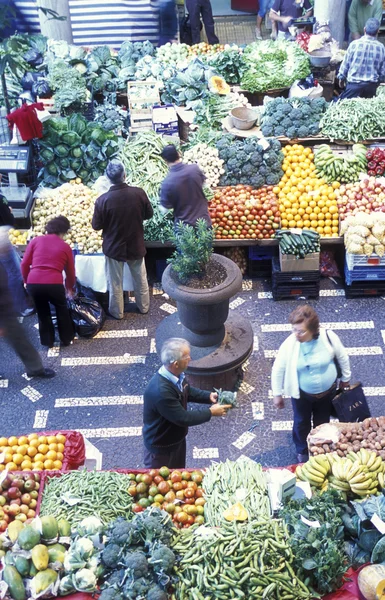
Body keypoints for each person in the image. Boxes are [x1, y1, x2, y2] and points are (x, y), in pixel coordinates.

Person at [271, 305, 351, 463]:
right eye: (294, 330)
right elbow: (278, 369)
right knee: (301, 423)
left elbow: (342, 357)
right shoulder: (290, 344)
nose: (296, 334)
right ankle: (302, 450)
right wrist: (277, 394)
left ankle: (319, 449)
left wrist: (345, 379)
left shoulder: (329, 337)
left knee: (322, 422)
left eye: (301, 331)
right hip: (302, 395)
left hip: (327, 393)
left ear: (313, 330)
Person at [143, 338, 231, 468]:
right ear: (175, 364)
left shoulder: (176, 375)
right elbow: (183, 418)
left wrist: (208, 396)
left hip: (176, 441)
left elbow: (187, 391)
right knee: (162, 483)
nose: (190, 358)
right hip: (161, 448)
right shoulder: (161, 392)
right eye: (186, 356)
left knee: (179, 475)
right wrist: (211, 412)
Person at [92, 160, 153, 319]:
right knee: (140, 278)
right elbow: (149, 214)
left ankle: (117, 312)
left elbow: (96, 226)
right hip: (136, 244)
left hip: (114, 248)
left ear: (107, 178)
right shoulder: (139, 193)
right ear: (124, 175)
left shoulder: (102, 200)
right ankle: (144, 307)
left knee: (115, 283)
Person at [21, 216, 75, 348]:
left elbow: (24, 264)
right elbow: (70, 272)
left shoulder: (35, 241)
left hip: (34, 283)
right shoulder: (65, 246)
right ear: (63, 231)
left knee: (42, 312)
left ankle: (47, 341)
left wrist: (26, 281)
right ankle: (66, 339)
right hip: (54, 284)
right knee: (61, 309)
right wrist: (69, 288)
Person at [0, 260, 55, 379]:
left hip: (5, 309)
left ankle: (35, 368)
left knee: (19, 338)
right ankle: (35, 368)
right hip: (4, 312)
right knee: (18, 337)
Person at [160, 145, 211, 227]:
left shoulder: (167, 182)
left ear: (165, 161)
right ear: (179, 154)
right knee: (205, 239)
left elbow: (164, 209)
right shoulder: (194, 169)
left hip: (184, 228)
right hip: (203, 222)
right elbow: (205, 185)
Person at [338, 18, 385, 99]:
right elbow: (382, 73)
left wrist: (341, 81)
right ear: (378, 31)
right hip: (371, 89)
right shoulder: (381, 48)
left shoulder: (354, 44)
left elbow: (345, 66)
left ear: (364, 29)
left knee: (341, 107)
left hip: (353, 87)